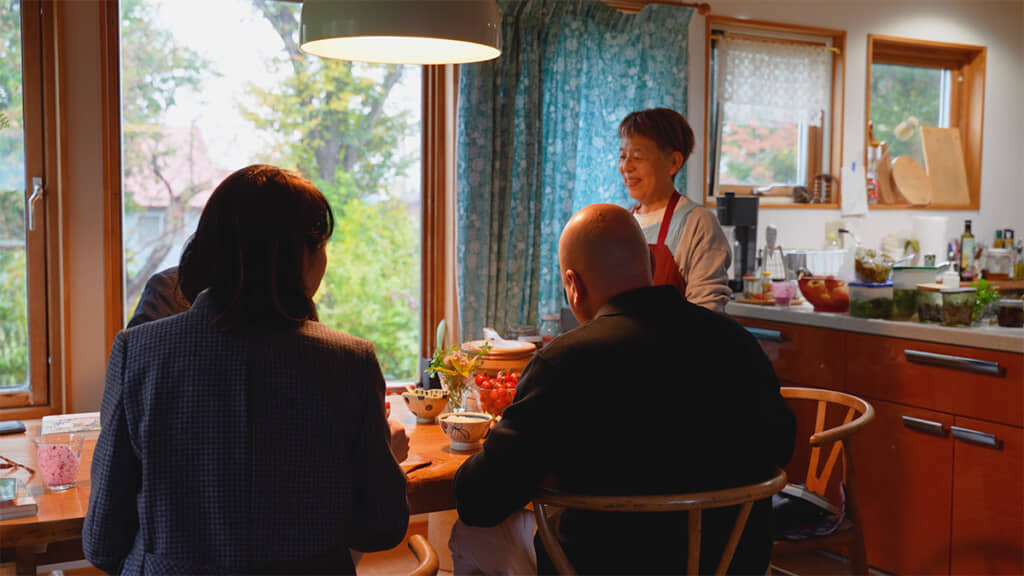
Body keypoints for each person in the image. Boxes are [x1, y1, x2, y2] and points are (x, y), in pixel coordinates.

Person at [84, 165, 409, 575]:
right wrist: (387, 459)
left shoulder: (138, 352)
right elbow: (380, 528)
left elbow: (102, 542)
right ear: (305, 256)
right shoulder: (350, 361)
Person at [451, 204, 795, 574]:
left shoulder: (562, 363)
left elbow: (480, 500)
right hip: (730, 565)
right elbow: (781, 445)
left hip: (605, 566)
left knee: (469, 533)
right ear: (649, 260)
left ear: (573, 284)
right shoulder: (735, 342)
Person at [619, 108, 732, 312]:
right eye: (622, 156)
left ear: (673, 162)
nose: (626, 166)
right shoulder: (621, 223)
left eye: (637, 157)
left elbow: (707, 314)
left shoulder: (697, 222)